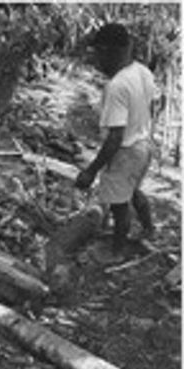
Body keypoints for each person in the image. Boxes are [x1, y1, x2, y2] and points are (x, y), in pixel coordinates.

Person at [75, 23, 156, 258]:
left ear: (106, 51)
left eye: (97, 53)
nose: (97, 60)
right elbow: (150, 105)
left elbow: (115, 138)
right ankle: (149, 228)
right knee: (132, 191)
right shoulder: (142, 71)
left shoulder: (117, 86)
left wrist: (91, 171)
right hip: (144, 145)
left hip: (126, 151)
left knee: (120, 207)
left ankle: (117, 251)